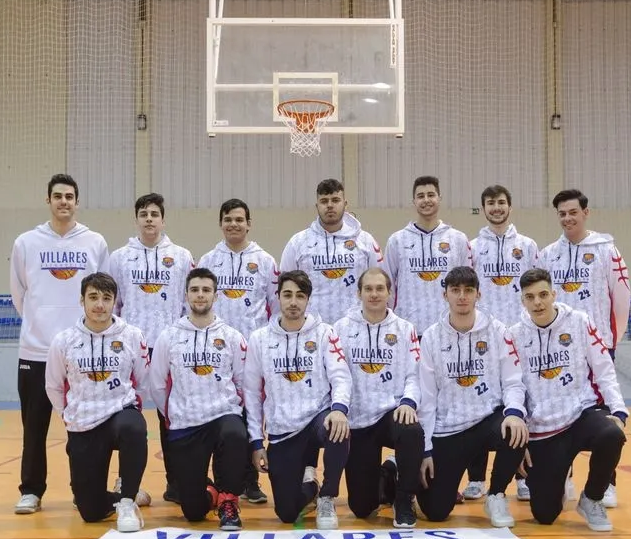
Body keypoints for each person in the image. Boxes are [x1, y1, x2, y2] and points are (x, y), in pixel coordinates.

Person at [10, 173, 109, 515]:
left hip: (80, 355)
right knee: (34, 428)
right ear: (48, 201)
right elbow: (19, 294)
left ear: (77, 202)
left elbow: (104, 293)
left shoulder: (94, 242)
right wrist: (42, 324)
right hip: (35, 352)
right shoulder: (26, 243)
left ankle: (82, 489)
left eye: (69, 196)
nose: (63, 201)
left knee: (82, 427)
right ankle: (31, 490)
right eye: (57, 196)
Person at [511, 268, 628, 532]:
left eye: (543, 295)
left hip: (580, 415)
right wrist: (520, 437)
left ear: (554, 294)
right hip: (543, 430)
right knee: (544, 514)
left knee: (611, 435)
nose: (537, 302)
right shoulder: (515, 335)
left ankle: (592, 498)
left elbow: (603, 368)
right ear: (523, 301)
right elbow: (513, 386)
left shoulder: (579, 321)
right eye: (530, 297)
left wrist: (619, 412)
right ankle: (559, 476)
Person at [539, 189, 631, 508]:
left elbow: (621, 298)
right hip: (560, 350)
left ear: (586, 212)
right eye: (562, 214)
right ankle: (563, 475)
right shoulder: (548, 254)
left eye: (572, 212)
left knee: (602, 417)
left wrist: (609, 342)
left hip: (597, 347)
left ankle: (605, 483)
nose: (567, 218)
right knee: (561, 411)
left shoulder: (607, 251)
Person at [417, 267, 528, 528]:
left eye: (468, 290)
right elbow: (427, 398)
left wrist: (514, 413)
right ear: (445, 295)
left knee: (514, 428)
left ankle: (496, 494)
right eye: (455, 290)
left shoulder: (498, 331)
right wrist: (425, 448)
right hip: (448, 430)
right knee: (436, 511)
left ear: (479, 294)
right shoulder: (431, 337)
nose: (462, 296)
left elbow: (513, 381)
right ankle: (396, 469)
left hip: (487, 420)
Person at [242, 270, 352, 529]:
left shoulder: (325, 333)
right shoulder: (259, 339)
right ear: (278, 297)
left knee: (339, 428)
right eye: (287, 295)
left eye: (300, 296)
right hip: (283, 430)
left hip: (317, 417)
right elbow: (251, 393)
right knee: (288, 513)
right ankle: (311, 486)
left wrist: (339, 409)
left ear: (308, 300)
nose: (293, 302)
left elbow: (340, 376)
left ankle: (327, 496)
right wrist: (257, 441)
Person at [44, 272, 151, 532]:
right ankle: (122, 497)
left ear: (115, 301)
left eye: (106, 298)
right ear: (82, 301)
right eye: (93, 297)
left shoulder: (132, 336)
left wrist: (133, 407)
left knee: (134, 427)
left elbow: (143, 380)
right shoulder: (65, 340)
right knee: (89, 511)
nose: (99, 304)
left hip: (119, 412)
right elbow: (54, 385)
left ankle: (126, 501)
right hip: (84, 421)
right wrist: (67, 414)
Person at [108, 193, 194, 504]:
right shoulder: (119, 258)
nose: (149, 218)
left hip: (168, 349)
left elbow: (188, 304)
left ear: (163, 219)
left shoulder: (182, 256)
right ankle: (125, 482)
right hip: (129, 349)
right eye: (143, 213)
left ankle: (177, 482)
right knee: (125, 415)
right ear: (136, 219)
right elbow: (112, 304)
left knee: (171, 417)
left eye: (154, 213)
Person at [148, 268, 248, 530]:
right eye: (195, 290)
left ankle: (229, 500)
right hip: (187, 423)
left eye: (206, 290)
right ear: (186, 295)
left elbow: (241, 381)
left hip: (222, 416)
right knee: (193, 511)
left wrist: (231, 407)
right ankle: (212, 492)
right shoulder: (169, 336)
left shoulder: (231, 336)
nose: (200, 295)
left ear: (215, 296)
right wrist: (174, 413)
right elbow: (157, 385)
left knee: (236, 433)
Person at [197, 198, 278, 503]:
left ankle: (250, 481)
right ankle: (223, 482)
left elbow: (274, 305)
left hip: (253, 351)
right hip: (216, 351)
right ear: (221, 223)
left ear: (249, 223)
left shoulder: (265, 261)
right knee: (221, 414)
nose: (234, 224)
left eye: (239, 219)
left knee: (250, 413)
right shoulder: (208, 260)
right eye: (228, 219)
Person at [463, 184, 540, 503]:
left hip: (521, 336)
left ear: (510, 206)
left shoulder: (528, 245)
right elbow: (466, 288)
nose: (496, 208)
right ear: (483, 208)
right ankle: (477, 478)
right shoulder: (471, 247)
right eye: (490, 203)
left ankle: (522, 476)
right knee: (477, 403)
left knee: (525, 402)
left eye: (501, 202)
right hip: (482, 337)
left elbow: (538, 287)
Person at [334, 268, 424, 529]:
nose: (374, 294)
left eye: (380, 289)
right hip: (358, 420)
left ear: (389, 292)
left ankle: (405, 499)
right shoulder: (340, 329)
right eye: (368, 289)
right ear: (358, 293)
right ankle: (388, 473)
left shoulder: (405, 329)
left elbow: (413, 375)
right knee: (362, 508)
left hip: (391, 413)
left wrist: (408, 402)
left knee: (411, 430)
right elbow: (337, 375)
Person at [280, 178, 382, 324]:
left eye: (335, 200)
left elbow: (381, 285)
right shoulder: (298, 243)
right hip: (310, 329)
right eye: (324, 201)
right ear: (317, 206)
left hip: (357, 327)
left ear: (345, 204)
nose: (329, 205)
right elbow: (284, 287)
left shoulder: (365, 241)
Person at [384, 175, 473, 335]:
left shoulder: (458, 239)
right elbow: (387, 286)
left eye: (431, 195)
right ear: (414, 202)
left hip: (448, 328)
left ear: (439, 198)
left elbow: (468, 286)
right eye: (420, 196)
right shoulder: (397, 240)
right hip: (407, 330)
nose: (426, 200)